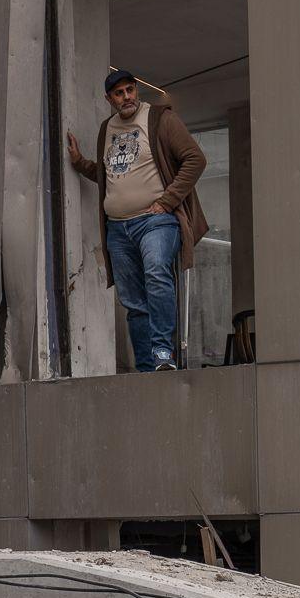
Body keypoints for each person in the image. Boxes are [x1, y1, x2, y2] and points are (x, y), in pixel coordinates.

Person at [65, 69, 209, 371]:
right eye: (119, 93)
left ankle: (162, 353)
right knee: (132, 300)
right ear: (109, 99)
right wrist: (79, 163)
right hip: (117, 228)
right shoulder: (108, 129)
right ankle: (147, 367)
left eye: (130, 90)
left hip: (155, 221)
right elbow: (111, 174)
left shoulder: (160, 119)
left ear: (136, 91)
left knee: (157, 273)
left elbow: (195, 159)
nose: (126, 97)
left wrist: (167, 202)